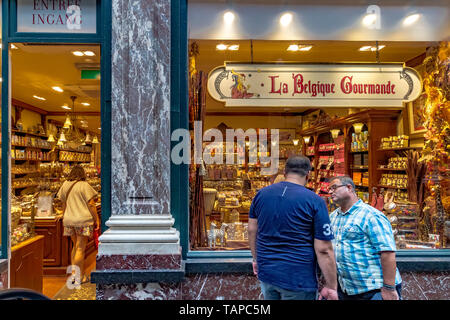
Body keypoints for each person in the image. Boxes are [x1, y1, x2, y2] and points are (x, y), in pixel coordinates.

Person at [248, 156, 338, 300]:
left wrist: (255, 259)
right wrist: (331, 285)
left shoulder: (261, 195)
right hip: (298, 279)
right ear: (308, 174)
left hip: (267, 274)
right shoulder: (315, 201)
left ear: (284, 172)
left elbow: (252, 230)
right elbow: (324, 249)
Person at [328, 176, 402, 300]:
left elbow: (388, 253)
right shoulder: (333, 217)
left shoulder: (371, 215)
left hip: (374, 290)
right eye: (329, 189)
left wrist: (389, 287)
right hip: (347, 289)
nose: (330, 192)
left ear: (349, 188)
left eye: (334, 188)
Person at [57, 165, 99, 285]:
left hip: (69, 220)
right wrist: (97, 219)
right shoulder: (84, 185)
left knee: (75, 247)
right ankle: (79, 278)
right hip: (83, 220)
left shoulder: (65, 185)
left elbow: (63, 203)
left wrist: (64, 215)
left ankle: (75, 275)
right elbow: (91, 204)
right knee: (80, 248)